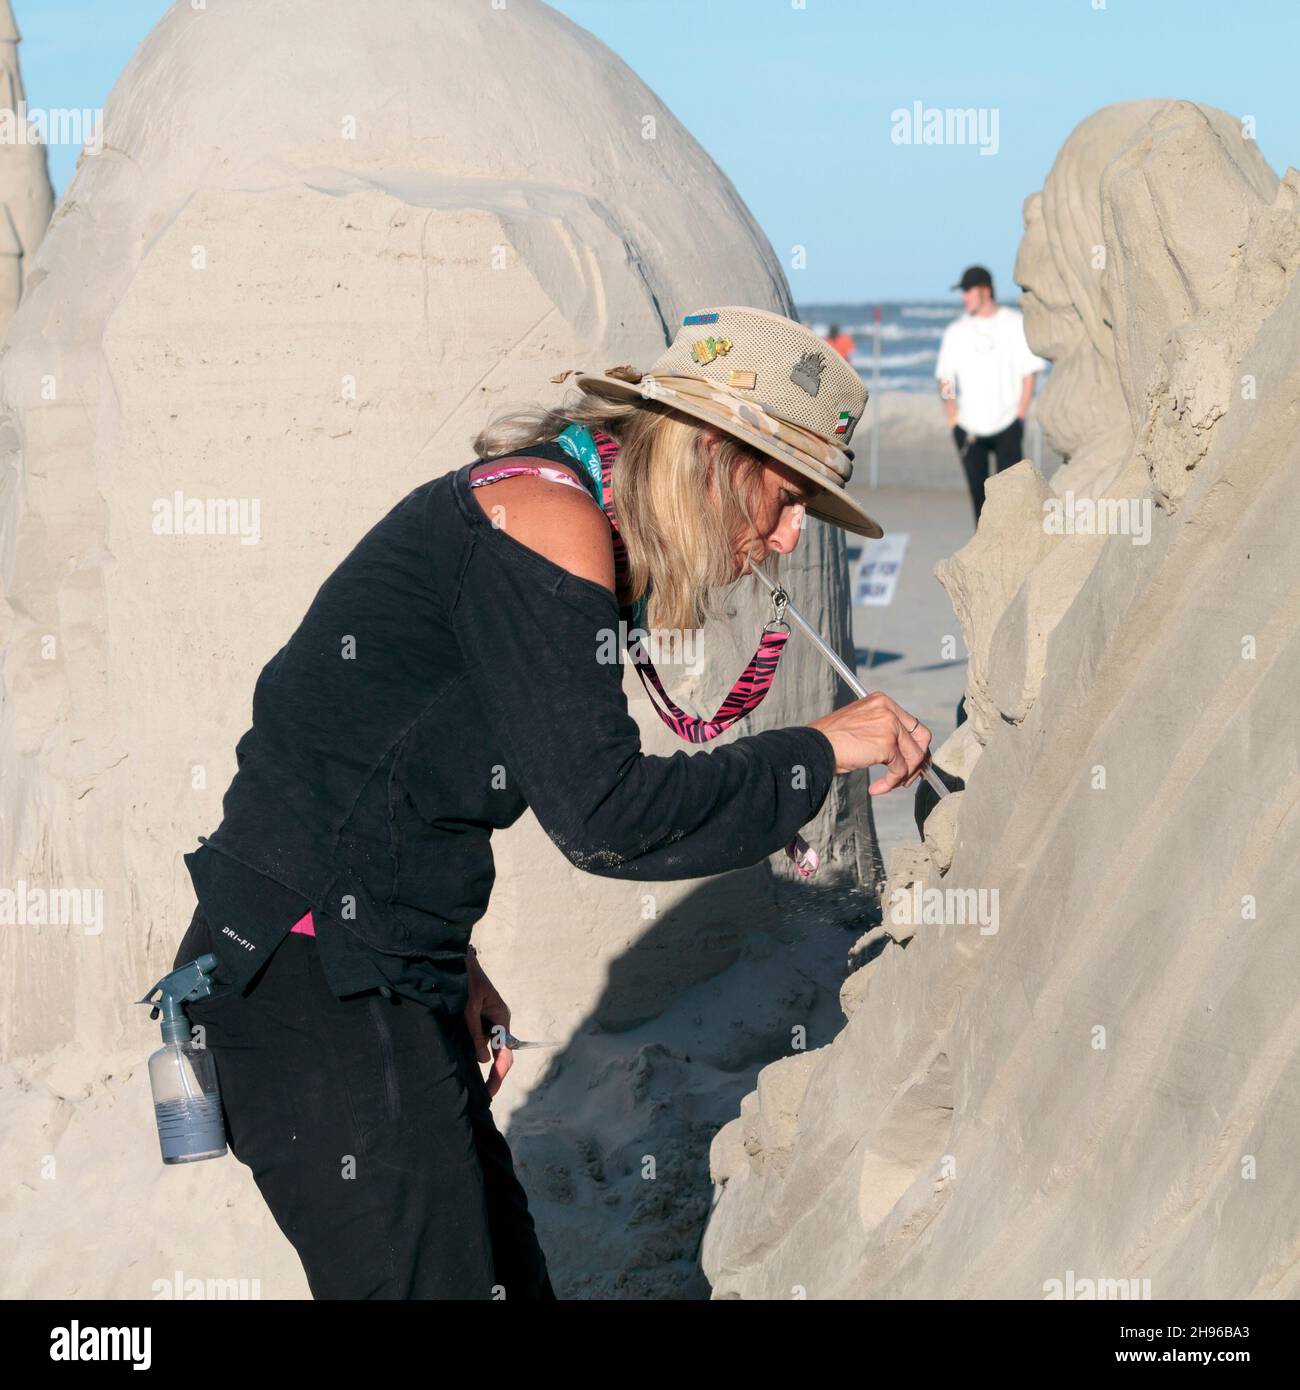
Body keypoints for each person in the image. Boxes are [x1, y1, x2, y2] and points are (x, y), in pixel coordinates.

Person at [171, 305, 934, 1300]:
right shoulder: (545, 525)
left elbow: (364, 754)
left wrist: (453, 958)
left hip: (371, 968)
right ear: (712, 453)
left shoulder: (553, 512)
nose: (791, 537)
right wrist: (817, 748)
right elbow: (605, 818)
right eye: (788, 499)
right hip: (315, 987)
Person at [935, 266, 1046, 522]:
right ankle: (984, 557)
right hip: (968, 429)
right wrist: (952, 417)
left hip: (1008, 424)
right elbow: (945, 378)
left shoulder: (1014, 322)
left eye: (968, 291)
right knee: (980, 502)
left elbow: (1029, 373)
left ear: (985, 290)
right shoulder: (956, 331)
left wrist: (1021, 414)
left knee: (1012, 498)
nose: (964, 297)